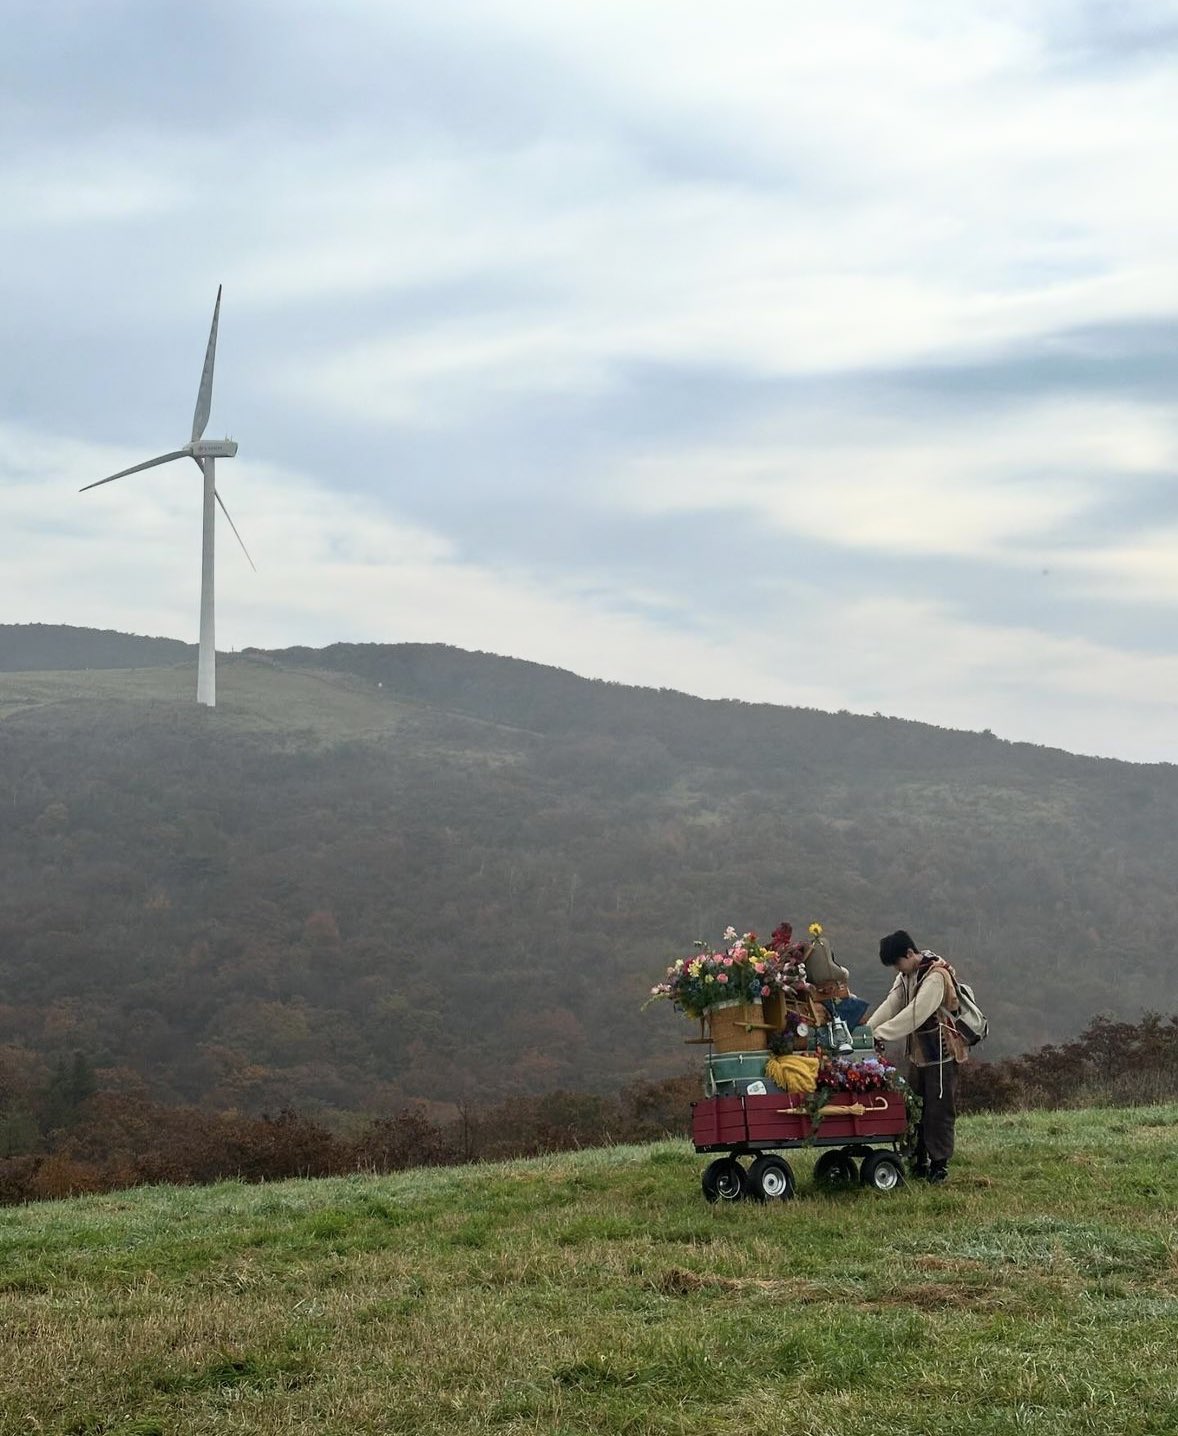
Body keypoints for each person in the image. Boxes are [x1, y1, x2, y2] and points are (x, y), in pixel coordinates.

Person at [865, 930, 967, 1184]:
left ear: (910, 954)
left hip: (942, 1054)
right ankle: (918, 1160)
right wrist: (866, 1033)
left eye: (898, 962)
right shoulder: (907, 975)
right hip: (919, 1055)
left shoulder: (936, 975)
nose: (897, 968)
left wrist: (881, 1034)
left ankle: (939, 1164)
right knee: (916, 1108)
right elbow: (892, 1003)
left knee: (939, 1111)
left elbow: (917, 1012)